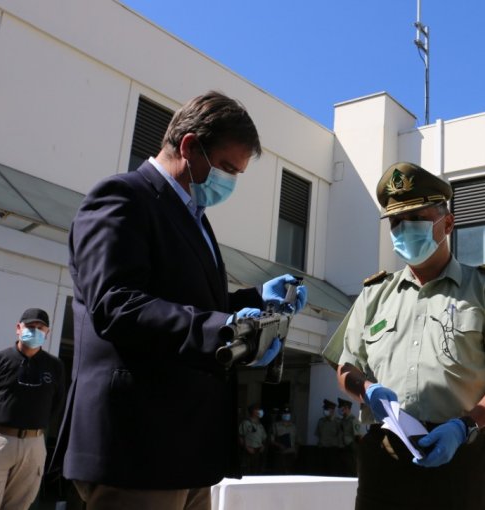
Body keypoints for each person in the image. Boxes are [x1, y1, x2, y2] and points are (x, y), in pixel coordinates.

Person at [56, 90, 307, 510]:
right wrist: (226, 332)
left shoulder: (195, 221)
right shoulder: (123, 197)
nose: (231, 182)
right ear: (189, 146)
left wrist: (253, 301)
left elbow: (186, 302)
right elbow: (116, 305)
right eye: (227, 167)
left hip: (186, 450)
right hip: (138, 445)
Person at [323, 162, 485, 510]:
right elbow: (345, 367)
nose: (404, 230)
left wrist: (465, 426)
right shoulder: (374, 295)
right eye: (396, 223)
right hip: (385, 457)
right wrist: (366, 389)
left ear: (447, 224)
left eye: (416, 219)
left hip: (462, 454)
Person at [0, 308, 66, 510]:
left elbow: (56, 404)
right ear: (18, 328)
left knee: (20, 505)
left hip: (34, 445)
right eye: (30, 326)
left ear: (47, 333)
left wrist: (34, 429)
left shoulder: (54, 366)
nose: (35, 331)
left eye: (40, 328)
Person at [315, 398, 342, 475]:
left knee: (333, 473)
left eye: (327, 409)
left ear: (332, 410)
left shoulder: (338, 422)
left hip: (333, 451)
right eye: (325, 409)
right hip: (322, 450)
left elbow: (340, 437)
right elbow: (318, 435)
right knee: (321, 473)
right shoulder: (321, 421)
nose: (325, 411)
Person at [239, 404, 268, 475]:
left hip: (258, 451)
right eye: (258, 410)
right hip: (249, 451)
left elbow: (263, 438)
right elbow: (240, 437)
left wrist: (263, 446)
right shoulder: (246, 423)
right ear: (253, 411)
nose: (260, 412)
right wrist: (247, 448)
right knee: (247, 472)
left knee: (256, 472)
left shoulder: (260, 425)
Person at [269, 406, 297, 474]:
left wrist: (296, 452)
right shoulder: (275, 425)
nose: (287, 415)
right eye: (285, 413)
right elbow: (271, 440)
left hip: (291, 453)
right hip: (280, 453)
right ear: (282, 415)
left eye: (288, 413)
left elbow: (296, 440)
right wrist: (279, 445)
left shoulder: (293, 426)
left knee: (290, 473)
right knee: (279, 473)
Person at [337, 398, 361, 476]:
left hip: (351, 448)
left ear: (347, 408)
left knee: (352, 469)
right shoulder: (342, 420)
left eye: (342, 408)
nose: (340, 410)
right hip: (342, 448)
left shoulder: (353, 420)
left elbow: (357, 435)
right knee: (344, 470)